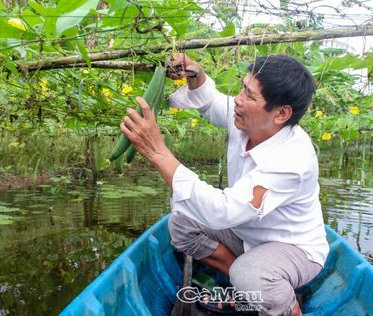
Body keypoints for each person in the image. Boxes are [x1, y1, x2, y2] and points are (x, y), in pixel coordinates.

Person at [120, 54, 329, 316]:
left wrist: (158, 152)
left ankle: (287, 306)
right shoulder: (248, 118)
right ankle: (250, 285)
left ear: (282, 113)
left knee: (250, 274)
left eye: (250, 96)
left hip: (292, 248)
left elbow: (223, 212)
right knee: (183, 222)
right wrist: (198, 78)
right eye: (243, 87)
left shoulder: (293, 159)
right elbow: (212, 102)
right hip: (248, 233)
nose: (238, 100)